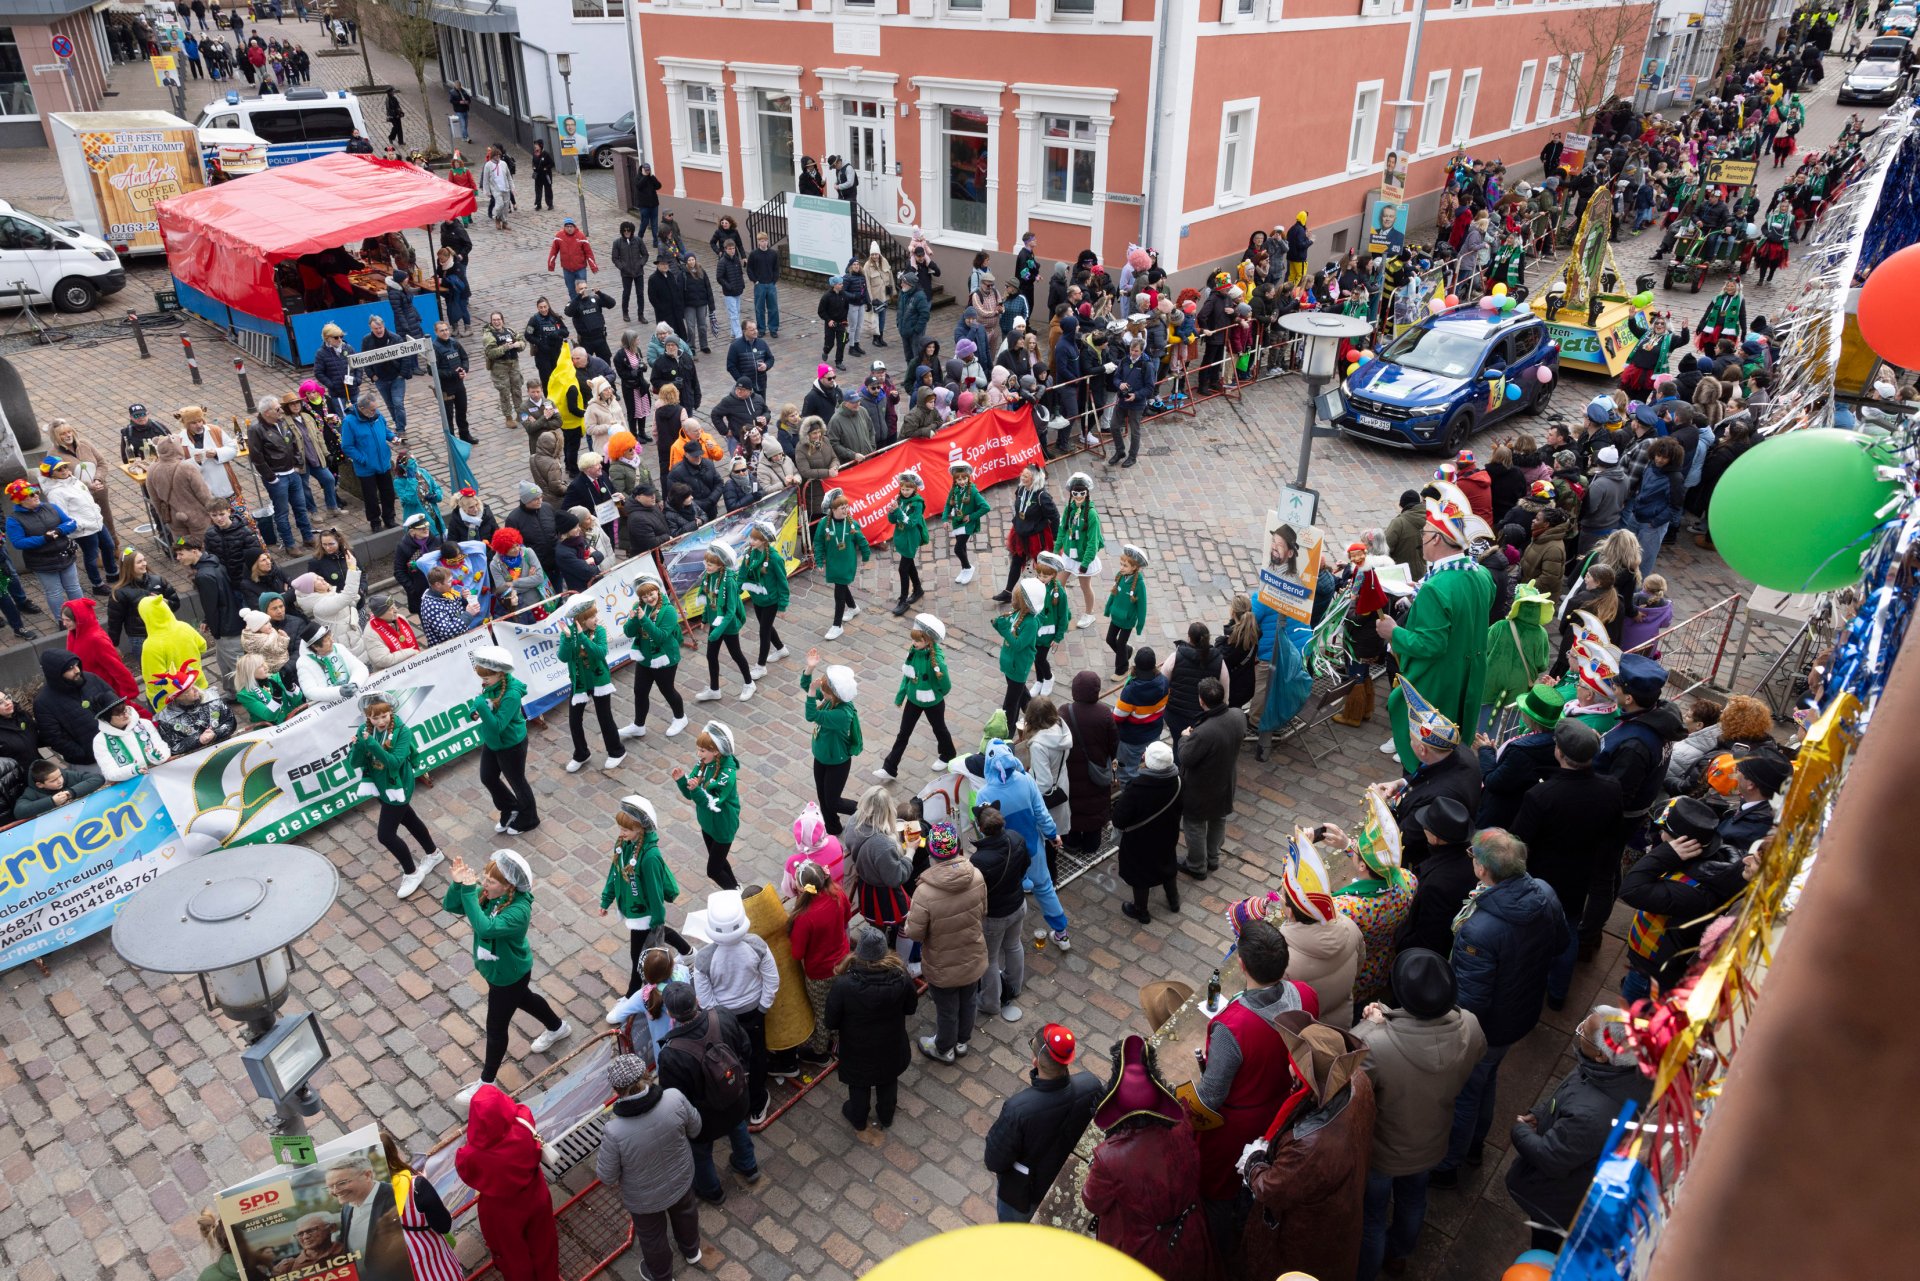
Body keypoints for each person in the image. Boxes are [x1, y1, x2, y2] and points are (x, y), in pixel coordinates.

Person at [1430, 829, 1569, 1189]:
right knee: (1486, 1080)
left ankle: (1449, 1163)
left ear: (1482, 871)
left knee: (1466, 1093)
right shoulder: (1545, 892)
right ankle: (1475, 1146)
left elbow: (1470, 1004)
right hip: (1519, 1012)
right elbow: (1560, 944)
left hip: (1488, 1026)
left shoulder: (1479, 929)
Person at [1352, 949, 1486, 1281]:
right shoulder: (1469, 1024)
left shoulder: (1374, 1043)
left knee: (1371, 1218)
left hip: (1382, 1153)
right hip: (1432, 1140)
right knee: (1413, 1200)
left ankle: (1367, 1272)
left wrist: (1370, 1024)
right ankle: (1399, 1257)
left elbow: (1348, 1079)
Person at [1195, 914, 1320, 1242]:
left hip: (1237, 1127)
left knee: (1220, 1193)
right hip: (1283, 1109)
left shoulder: (1231, 1027)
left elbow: (1210, 1098)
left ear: (1242, 964)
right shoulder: (1306, 995)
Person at [1236, 1012, 1376, 1281]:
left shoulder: (1310, 1144)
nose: (1289, 1068)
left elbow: (1269, 1188)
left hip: (1307, 1240)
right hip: (1345, 1206)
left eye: (1295, 1065)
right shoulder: (1359, 1080)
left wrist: (1253, 1162)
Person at [1505, 1006, 1652, 1252]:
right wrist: (1542, 1113)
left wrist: (1518, 1130)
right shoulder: (1613, 1071)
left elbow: (1549, 1157)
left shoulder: (1593, 1115)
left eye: (1585, 1031)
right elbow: (1575, 1087)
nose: (1581, 1029)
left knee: (1546, 1246)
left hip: (1556, 1203)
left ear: (1603, 1055)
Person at [1380, 484, 1495, 771]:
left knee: (1429, 756)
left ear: (1436, 539)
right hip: (1468, 678)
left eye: (1424, 534)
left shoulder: (1436, 587)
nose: (1421, 539)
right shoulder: (1480, 574)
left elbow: (1430, 645)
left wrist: (1394, 632)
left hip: (1439, 685)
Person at [447, 849, 572, 1106]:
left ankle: (487, 1082)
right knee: (525, 999)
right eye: (485, 877)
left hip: (509, 976)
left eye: (490, 881)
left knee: (495, 1027)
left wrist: (470, 891)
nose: (483, 883)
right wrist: (458, 883)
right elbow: (452, 905)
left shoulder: (518, 911)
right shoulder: (491, 894)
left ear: (509, 887)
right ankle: (558, 1028)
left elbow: (485, 928)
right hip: (498, 972)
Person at [597, 1053, 704, 1280]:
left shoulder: (614, 1131)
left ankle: (662, 1275)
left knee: (652, 1237)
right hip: (682, 1178)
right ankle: (692, 1250)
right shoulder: (674, 1098)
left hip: (644, 1199)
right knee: (686, 1214)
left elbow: (607, 1176)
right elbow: (696, 1128)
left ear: (617, 1090)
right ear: (646, 1075)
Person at [984, 1022, 1102, 1222]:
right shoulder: (1091, 1084)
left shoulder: (1018, 1110)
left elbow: (994, 1160)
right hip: (1061, 1179)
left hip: (1023, 1195)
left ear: (1035, 1061)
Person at [655, 981, 761, 1202]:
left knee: (701, 1153)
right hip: (736, 1097)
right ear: (696, 1001)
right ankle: (748, 1166)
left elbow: (675, 1098)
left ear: (670, 1013)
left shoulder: (671, 1053)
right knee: (738, 1127)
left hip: (704, 1118)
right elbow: (746, 1047)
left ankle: (711, 1191)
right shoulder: (722, 1015)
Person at [454, 1084, 562, 1281]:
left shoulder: (471, 1156)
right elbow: (519, 1110)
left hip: (502, 1211)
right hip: (536, 1193)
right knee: (544, 1242)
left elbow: (467, 1174)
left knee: (512, 1255)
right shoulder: (523, 1121)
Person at [901, 821, 988, 1063]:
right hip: (973, 955)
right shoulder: (977, 876)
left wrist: (909, 922)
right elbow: (983, 912)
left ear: (931, 853)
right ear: (958, 848)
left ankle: (943, 1048)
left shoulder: (925, 892)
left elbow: (915, 934)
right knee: (968, 1001)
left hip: (942, 964)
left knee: (947, 1009)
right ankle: (961, 1042)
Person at [818, 925, 916, 1132]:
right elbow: (911, 1007)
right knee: (888, 1080)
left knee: (859, 1083)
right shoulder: (901, 977)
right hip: (892, 1042)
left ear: (859, 953)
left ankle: (858, 1117)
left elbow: (831, 1020)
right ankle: (886, 1115)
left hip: (857, 1047)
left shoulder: (844, 985)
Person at [348, 693, 442, 898]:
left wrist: (370, 745)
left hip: (398, 787)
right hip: (379, 785)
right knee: (408, 818)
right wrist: (356, 747)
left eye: (384, 716)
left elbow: (394, 763)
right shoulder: (364, 730)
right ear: (368, 717)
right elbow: (355, 763)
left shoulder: (403, 732)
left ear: (391, 712)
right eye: (375, 718)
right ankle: (434, 854)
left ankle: (412, 872)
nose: (381, 721)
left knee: (385, 835)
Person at [1276, 832, 1367, 1027]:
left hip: (1305, 1034)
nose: (1279, 898)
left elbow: (1280, 1008)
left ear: (1290, 912)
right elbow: (1359, 965)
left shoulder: (1281, 959)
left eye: (1281, 896)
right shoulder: (1350, 927)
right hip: (1341, 1022)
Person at [466, 646, 538, 836]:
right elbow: (485, 704)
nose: (483, 682)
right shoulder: (491, 685)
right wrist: (476, 709)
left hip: (511, 745)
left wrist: (481, 707)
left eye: (486, 678)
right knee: (487, 777)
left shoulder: (512, 695)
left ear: (499, 674)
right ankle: (510, 808)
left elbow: (498, 725)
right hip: (493, 742)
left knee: (517, 782)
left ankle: (529, 818)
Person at [877, 611, 954, 781]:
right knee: (903, 733)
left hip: (932, 702)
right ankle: (890, 767)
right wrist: (900, 696)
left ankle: (948, 754)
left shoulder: (937, 661)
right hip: (913, 700)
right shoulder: (913, 652)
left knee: (939, 729)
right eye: (913, 639)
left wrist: (935, 694)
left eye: (917, 640)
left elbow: (946, 685)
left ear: (927, 640)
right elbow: (907, 676)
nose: (913, 642)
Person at [1114, 739, 1184, 924]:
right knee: (1168, 864)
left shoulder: (1137, 788)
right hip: (1167, 835)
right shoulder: (1176, 780)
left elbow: (1119, 819)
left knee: (1140, 874)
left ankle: (1141, 910)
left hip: (1141, 841)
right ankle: (1174, 900)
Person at [557, 594, 625, 773]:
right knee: (574, 720)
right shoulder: (568, 633)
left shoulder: (599, 631)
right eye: (592, 617)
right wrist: (566, 639)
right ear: (581, 619)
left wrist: (583, 637)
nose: (596, 619)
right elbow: (563, 657)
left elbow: (600, 653)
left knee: (604, 717)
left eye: (596, 615)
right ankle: (581, 753)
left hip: (598, 680)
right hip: (579, 682)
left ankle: (616, 751)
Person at [5, 479, 82, 614]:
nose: (36, 495)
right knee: (54, 592)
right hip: (42, 562)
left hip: (65, 555)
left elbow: (71, 522)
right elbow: (18, 542)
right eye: (31, 494)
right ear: (21, 500)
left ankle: (82, 615)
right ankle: (61, 620)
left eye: (36, 492)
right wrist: (44, 538)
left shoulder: (51, 507)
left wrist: (59, 531)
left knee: (73, 587)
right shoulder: (14, 520)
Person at [813, 488, 871, 639]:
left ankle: (837, 625)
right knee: (842, 586)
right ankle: (853, 607)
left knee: (839, 591)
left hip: (847, 563)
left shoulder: (852, 524)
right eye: (842, 508)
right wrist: (819, 560)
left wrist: (866, 557)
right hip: (833, 563)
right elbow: (818, 543)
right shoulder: (824, 524)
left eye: (847, 507)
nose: (846, 510)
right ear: (832, 510)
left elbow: (862, 541)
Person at [939, 459, 990, 586]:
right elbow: (947, 506)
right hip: (957, 522)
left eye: (964, 479)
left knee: (957, 549)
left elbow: (986, 507)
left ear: (968, 478)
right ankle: (964, 569)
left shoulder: (973, 491)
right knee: (962, 547)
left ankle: (968, 567)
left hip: (967, 524)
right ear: (955, 480)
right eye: (959, 480)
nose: (962, 482)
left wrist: (972, 516)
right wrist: (945, 519)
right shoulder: (954, 490)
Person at [92, 698, 169, 782]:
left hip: (161, 776)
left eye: (125, 710)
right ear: (106, 718)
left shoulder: (145, 723)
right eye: (119, 714)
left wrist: (159, 757)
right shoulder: (100, 740)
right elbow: (109, 772)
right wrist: (132, 770)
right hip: (132, 785)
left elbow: (162, 747)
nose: (125, 715)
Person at [1104, 544, 1150, 678]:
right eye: (1121, 564)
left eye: (1125, 566)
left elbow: (1142, 606)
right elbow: (1113, 594)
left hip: (1127, 621)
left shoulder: (1139, 585)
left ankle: (1122, 670)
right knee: (1110, 639)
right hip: (1116, 616)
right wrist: (1108, 608)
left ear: (1134, 567)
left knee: (1120, 643)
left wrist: (1140, 625)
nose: (1121, 568)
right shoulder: (1120, 576)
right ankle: (1126, 651)